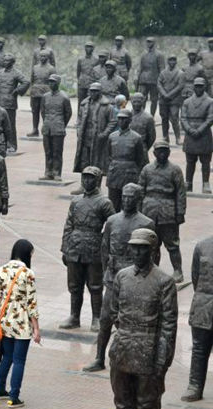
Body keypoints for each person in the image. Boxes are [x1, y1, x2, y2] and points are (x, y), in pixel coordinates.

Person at [107, 228, 177, 409]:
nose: (136, 251)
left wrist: (163, 361)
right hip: (123, 350)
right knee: (123, 404)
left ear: (153, 250)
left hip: (149, 353)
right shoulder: (122, 277)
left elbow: (169, 326)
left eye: (142, 248)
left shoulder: (164, 282)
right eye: (134, 247)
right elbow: (114, 312)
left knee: (148, 408)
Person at [83, 183, 155, 373]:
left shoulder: (146, 223)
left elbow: (153, 254)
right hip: (114, 278)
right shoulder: (113, 221)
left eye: (131, 197)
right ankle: (99, 358)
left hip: (135, 279)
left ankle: (134, 358)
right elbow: (104, 248)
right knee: (105, 319)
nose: (127, 200)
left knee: (133, 321)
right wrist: (108, 272)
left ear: (138, 199)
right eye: (124, 196)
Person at [60, 166, 115, 330]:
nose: (87, 181)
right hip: (75, 247)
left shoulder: (104, 202)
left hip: (94, 248)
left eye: (91, 178)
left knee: (95, 285)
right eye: (84, 177)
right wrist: (65, 248)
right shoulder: (76, 201)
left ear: (98, 180)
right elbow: (68, 225)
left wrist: (104, 244)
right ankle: (74, 316)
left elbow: (112, 226)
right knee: (74, 285)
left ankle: (96, 317)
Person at [0, 239, 41, 408]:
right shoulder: (28, 273)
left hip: (4, 322)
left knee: (7, 356)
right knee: (19, 360)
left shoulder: (3, 269)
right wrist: (36, 329)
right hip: (22, 324)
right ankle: (14, 396)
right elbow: (31, 304)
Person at [139, 140, 187, 282]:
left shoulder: (175, 170)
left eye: (165, 151)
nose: (162, 153)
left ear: (169, 153)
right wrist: (139, 211)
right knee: (152, 244)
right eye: (159, 151)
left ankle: (178, 270)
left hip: (168, 211)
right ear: (154, 153)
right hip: (149, 211)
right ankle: (153, 269)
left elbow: (180, 192)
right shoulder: (147, 169)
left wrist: (180, 212)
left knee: (172, 244)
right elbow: (140, 191)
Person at [184, 236, 213, 401]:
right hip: (204, 305)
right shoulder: (202, 246)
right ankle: (194, 386)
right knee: (199, 349)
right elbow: (195, 276)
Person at [107, 109, 148, 211]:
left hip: (130, 174)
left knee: (129, 202)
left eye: (124, 119)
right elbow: (109, 154)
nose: (121, 121)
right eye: (119, 119)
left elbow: (140, 159)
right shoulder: (112, 136)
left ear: (130, 120)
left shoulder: (136, 137)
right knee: (113, 203)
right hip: (114, 173)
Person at [181, 78, 213, 193]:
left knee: (205, 161)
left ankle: (205, 183)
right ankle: (188, 182)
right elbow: (183, 118)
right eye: (197, 86)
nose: (198, 88)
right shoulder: (187, 102)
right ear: (193, 87)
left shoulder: (210, 101)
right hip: (190, 134)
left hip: (204, 134)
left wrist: (199, 130)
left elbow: (210, 118)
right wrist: (189, 129)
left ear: (204, 87)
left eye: (201, 86)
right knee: (190, 161)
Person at [0, 54, 30, 153]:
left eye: (7, 61)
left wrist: (17, 91)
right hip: (0, 102)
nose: (4, 62)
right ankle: (2, 144)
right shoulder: (0, 72)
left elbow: (26, 82)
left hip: (10, 103)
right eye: (4, 60)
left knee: (10, 126)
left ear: (12, 62)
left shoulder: (16, 73)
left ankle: (12, 145)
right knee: (0, 124)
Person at [40, 74, 72, 181]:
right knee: (48, 151)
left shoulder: (64, 97)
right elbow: (43, 112)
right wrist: (47, 123)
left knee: (57, 152)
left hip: (58, 128)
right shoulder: (45, 97)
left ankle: (57, 172)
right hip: (47, 127)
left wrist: (61, 124)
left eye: (53, 82)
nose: (51, 84)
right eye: (49, 82)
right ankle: (48, 172)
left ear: (58, 83)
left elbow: (68, 113)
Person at [156, 54, 184, 146]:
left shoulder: (180, 73)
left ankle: (178, 137)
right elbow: (159, 84)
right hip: (163, 99)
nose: (172, 62)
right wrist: (164, 94)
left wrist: (169, 95)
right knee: (164, 118)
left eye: (174, 60)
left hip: (174, 100)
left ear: (176, 61)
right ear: (168, 61)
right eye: (170, 60)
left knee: (174, 118)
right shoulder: (163, 73)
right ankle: (165, 136)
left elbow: (180, 86)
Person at [28, 50, 56, 136]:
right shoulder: (35, 67)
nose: (42, 58)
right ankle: (35, 129)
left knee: (45, 112)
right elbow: (32, 80)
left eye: (44, 56)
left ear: (47, 58)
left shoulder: (51, 68)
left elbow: (54, 82)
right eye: (41, 56)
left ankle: (46, 129)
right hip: (35, 92)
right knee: (34, 111)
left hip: (45, 93)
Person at [137, 37, 165, 116]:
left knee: (154, 99)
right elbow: (141, 68)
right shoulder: (143, 55)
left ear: (154, 43)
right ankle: (140, 114)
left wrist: (161, 82)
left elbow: (162, 69)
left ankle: (151, 116)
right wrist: (138, 79)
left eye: (150, 42)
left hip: (154, 80)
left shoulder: (159, 55)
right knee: (141, 98)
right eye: (147, 42)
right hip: (143, 80)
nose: (148, 43)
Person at [77, 42, 97, 106]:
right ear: (85, 48)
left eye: (90, 47)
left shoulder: (96, 60)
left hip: (91, 83)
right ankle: (80, 115)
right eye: (87, 47)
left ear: (93, 49)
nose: (88, 49)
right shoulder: (80, 59)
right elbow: (78, 71)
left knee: (91, 101)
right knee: (80, 101)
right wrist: (80, 80)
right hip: (82, 83)